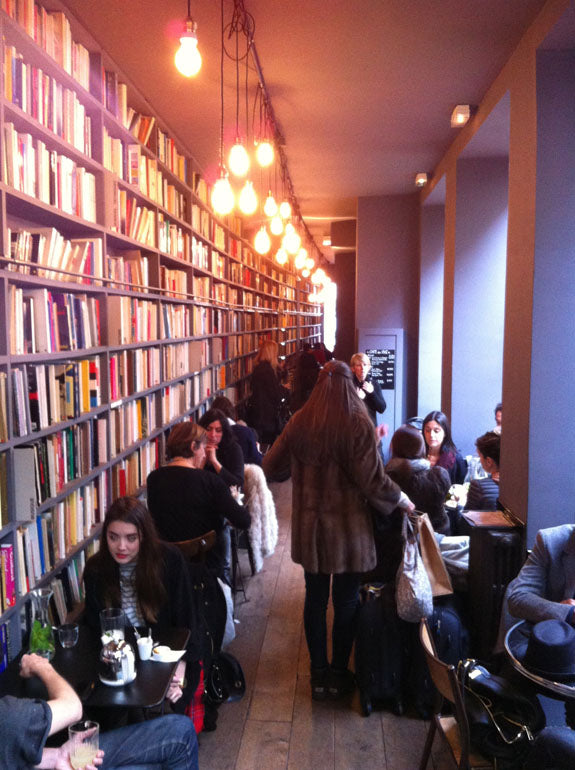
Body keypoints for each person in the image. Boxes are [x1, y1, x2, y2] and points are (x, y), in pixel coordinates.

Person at [262, 360, 413, 700]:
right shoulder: (358, 423)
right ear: (348, 384)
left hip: (312, 530)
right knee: (346, 602)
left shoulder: (300, 421)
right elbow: (374, 481)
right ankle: (340, 674)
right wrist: (402, 499)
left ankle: (317, 675)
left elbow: (270, 465)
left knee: (315, 601)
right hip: (348, 531)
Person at [83, 497, 201, 709]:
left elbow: (187, 623)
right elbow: (94, 629)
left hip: (167, 654)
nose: (121, 546)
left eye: (131, 538)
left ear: (143, 536)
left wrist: (179, 671)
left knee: (171, 701)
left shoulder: (168, 561)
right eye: (113, 537)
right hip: (118, 662)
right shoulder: (95, 570)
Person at [0, 652, 198, 769]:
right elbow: (72, 707)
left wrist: (55, 756)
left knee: (176, 738)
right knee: (179, 739)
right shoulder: (8, 716)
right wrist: (41, 666)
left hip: (42, 762)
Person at [146, 421, 250, 583]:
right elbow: (244, 520)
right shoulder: (211, 482)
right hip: (206, 571)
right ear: (193, 446)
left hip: (167, 568)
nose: (204, 454)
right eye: (203, 447)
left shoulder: (153, 479)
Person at [385, 424, 451, 534]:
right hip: (437, 539)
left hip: (398, 540)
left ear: (394, 448)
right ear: (421, 446)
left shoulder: (386, 480)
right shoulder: (439, 475)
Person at [247, 339, 289, 447]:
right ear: (271, 353)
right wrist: (285, 389)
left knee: (261, 444)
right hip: (267, 415)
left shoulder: (258, 368)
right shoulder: (268, 371)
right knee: (268, 445)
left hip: (258, 413)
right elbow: (275, 394)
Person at [198, 407, 244, 488]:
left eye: (218, 430)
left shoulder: (234, 449)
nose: (213, 435)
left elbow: (238, 484)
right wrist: (203, 460)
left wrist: (214, 461)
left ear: (224, 432)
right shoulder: (196, 447)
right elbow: (192, 481)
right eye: (208, 429)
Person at [211, 395, 263, 466]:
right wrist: (258, 450)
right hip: (246, 471)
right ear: (232, 411)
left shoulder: (211, 434)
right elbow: (258, 461)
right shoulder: (247, 432)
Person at [422, 410, 467, 484]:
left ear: (445, 433)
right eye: (428, 430)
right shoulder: (418, 455)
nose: (431, 435)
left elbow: (461, 486)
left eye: (436, 431)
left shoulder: (455, 458)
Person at [465, 431, 500, 510]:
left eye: (479, 456)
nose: (479, 460)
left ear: (489, 461)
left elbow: (467, 516)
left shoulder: (478, 486)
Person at [350, 352, 386, 427]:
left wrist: (372, 393)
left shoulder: (374, 384)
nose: (362, 368)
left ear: (369, 367)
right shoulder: (349, 385)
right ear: (353, 368)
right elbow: (344, 411)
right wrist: (357, 399)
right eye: (359, 365)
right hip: (354, 429)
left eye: (365, 365)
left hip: (371, 428)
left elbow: (382, 409)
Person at [290, 344, 320, 412]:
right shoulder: (311, 356)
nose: (312, 349)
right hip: (311, 376)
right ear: (308, 349)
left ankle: (304, 405)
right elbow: (315, 365)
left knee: (304, 390)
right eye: (311, 348)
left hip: (303, 376)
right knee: (312, 389)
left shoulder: (301, 356)